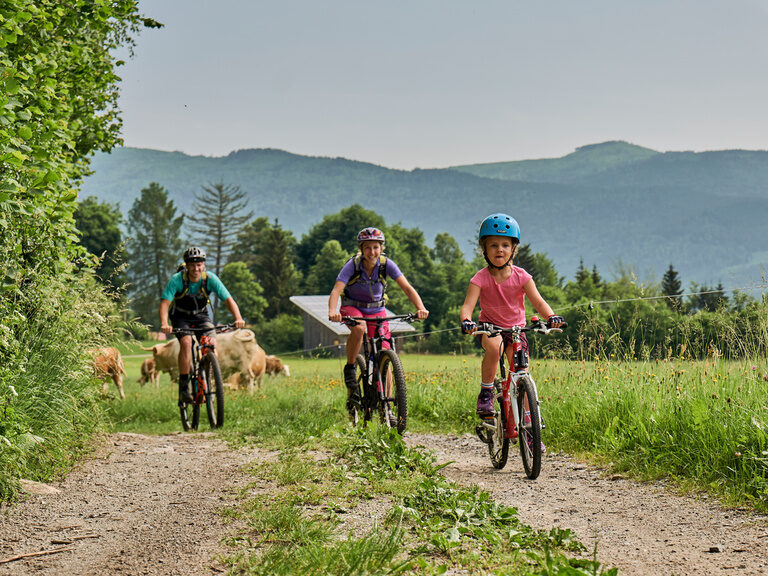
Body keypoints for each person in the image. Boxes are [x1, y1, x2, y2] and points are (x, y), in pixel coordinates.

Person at [459, 214, 564, 426]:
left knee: (521, 372)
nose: (500, 249)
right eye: (494, 245)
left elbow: (539, 302)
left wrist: (551, 316)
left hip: (516, 331)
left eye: (505, 245)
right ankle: (486, 392)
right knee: (495, 347)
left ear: (513, 249)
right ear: (485, 250)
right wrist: (467, 321)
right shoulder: (480, 278)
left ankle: (529, 424)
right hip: (490, 330)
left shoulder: (522, 276)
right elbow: (468, 306)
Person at [328, 227, 429, 408]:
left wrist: (420, 308)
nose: (372, 252)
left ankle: (386, 406)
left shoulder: (386, 265)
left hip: (377, 310)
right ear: (361, 249)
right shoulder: (353, 265)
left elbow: (407, 288)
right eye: (367, 248)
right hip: (353, 307)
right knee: (359, 328)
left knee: (385, 352)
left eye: (375, 247)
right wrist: (332, 311)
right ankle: (351, 367)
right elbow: (337, 290)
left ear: (381, 248)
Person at [159, 247, 246, 403]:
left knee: (211, 344)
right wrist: (165, 323)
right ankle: (185, 388)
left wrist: (238, 318)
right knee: (186, 343)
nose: (196, 268)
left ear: (204, 265)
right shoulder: (177, 280)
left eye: (199, 265)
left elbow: (228, 300)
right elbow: (165, 304)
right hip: (180, 317)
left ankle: (206, 380)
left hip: (201, 316)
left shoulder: (210, 279)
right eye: (192, 265)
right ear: (186, 265)